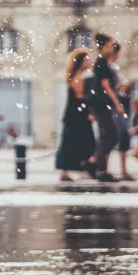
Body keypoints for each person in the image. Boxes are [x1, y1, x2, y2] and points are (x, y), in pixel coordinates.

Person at [86, 33, 123, 182]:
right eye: (109, 45)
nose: (111, 48)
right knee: (112, 134)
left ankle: (100, 169)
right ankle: (94, 162)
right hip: (102, 103)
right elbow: (105, 85)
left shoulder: (101, 62)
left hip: (100, 102)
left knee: (106, 135)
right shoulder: (101, 62)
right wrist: (117, 103)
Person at [56, 49, 96, 182]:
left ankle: (69, 170)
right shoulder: (79, 77)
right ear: (80, 62)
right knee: (81, 141)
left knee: (71, 141)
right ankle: (84, 168)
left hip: (74, 114)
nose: (89, 61)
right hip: (77, 115)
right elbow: (81, 98)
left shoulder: (77, 76)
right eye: (86, 59)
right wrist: (90, 111)